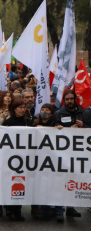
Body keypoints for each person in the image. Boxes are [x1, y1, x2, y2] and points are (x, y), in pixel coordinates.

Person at [54, 90, 87, 220]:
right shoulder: (58, 113)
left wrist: (84, 126)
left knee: (73, 181)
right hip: (63, 153)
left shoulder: (83, 113)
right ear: (64, 100)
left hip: (78, 153)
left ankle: (71, 208)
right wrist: (58, 127)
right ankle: (59, 210)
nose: (69, 101)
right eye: (67, 99)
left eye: (71, 99)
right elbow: (53, 128)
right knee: (62, 181)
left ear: (75, 99)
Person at [1, 99, 32, 221]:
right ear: (14, 109)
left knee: (20, 184)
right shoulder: (8, 122)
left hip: (23, 158)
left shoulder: (28, 121)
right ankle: (9, 209)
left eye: (24, 107)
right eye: (20, 107)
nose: (22, 109)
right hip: (10, 158)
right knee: (10, 184)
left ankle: (17, 210)